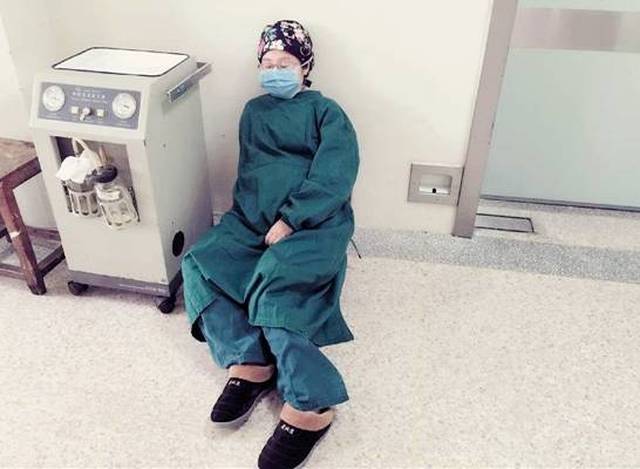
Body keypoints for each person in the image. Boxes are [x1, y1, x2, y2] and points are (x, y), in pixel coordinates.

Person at [181, 19, 359, 469]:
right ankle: (250, 360)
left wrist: (291, 219)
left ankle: (311, 404)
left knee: (272, 289)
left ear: (306, 67)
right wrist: (246, 222)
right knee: (200, 263)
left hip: (313, 224)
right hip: (252, 218)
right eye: (268, 64)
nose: (275, 71)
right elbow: (253, 173)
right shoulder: (253, 112)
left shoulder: (327, 113)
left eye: (286, 63)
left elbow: (335, 177)